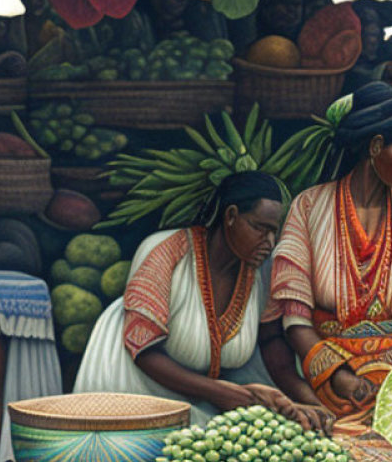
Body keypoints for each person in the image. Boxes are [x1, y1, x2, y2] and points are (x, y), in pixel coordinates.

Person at [268, 82, 392, 434]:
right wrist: (341, 377)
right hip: (329, 376)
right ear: (375, 146)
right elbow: (294, 317)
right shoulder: (309, 206)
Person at [75, 172, 332, 432]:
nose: (269, 243)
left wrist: (310, 401)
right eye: (259, 228)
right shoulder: (165, 252)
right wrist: (223, 393)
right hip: (134, 397)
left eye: (273, 232)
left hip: (203, 403)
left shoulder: (260, 271)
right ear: (230, 216)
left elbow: (271, 341)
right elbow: (144, 352)